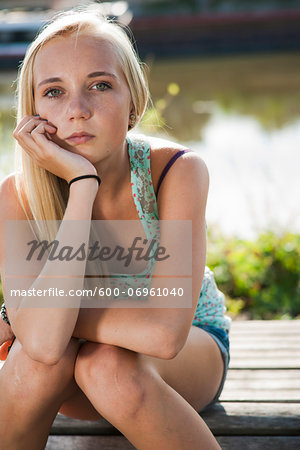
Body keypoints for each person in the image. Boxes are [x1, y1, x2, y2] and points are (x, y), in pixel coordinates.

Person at [0, 5, 231, 449]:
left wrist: (40, 316)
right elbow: (46, 348)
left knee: (104, 365)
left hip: (185, 357)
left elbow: (163, 334)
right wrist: (82, 185)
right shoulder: (18, 195)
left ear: (134, 103)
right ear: (31, 111)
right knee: (35, 364)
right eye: (53, 92)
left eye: (100, 85)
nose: (77, 110)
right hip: (70, 370)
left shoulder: (175, 172)